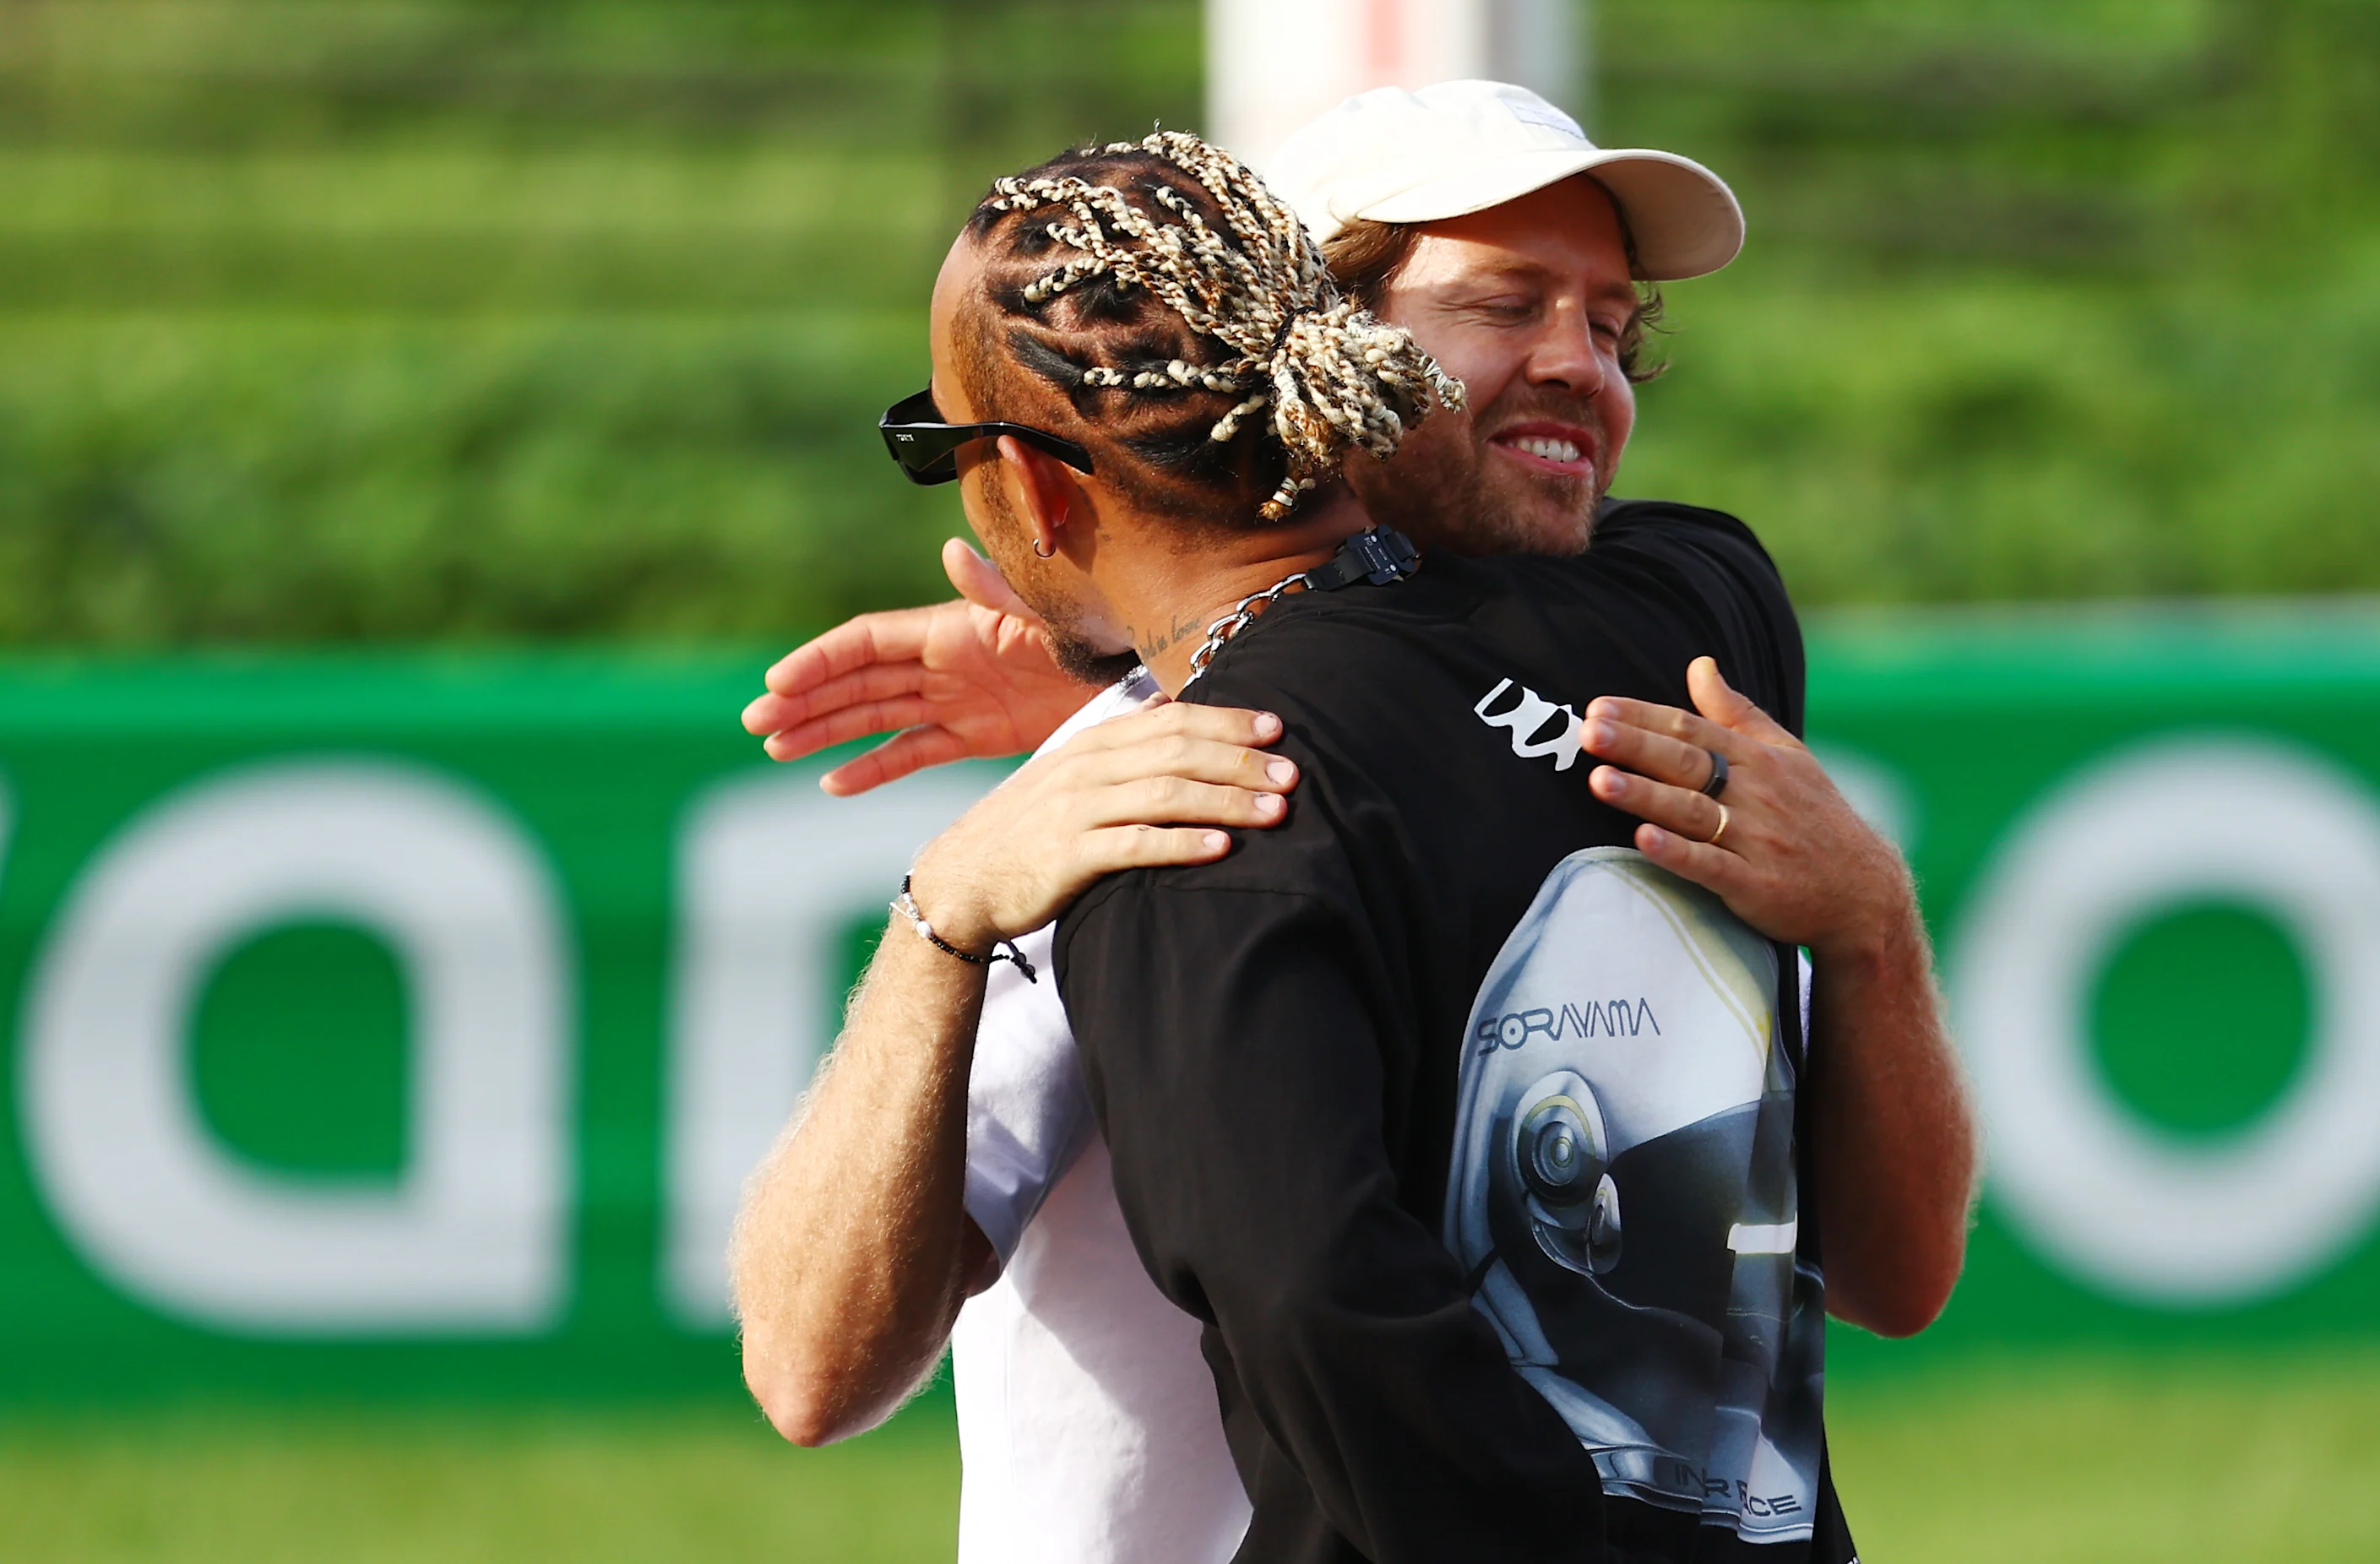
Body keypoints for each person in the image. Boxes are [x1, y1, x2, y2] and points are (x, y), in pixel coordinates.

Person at [733, 92, 1970, 1562]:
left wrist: (976, 858)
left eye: (1616, 328)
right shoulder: (1672, 644)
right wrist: (1103, 671)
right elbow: (823, 1355)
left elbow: (1318, 1298)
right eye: (1501, 305)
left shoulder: (1173, 786)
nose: (1580, 365)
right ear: (1309, 349)